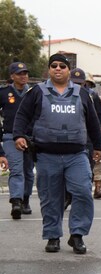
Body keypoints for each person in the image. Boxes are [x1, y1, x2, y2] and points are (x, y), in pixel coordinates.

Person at [13, 53, 101, 254]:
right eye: (53, 65)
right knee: (50, 197)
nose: (58, 69)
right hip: (46, 155)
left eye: (62, 66)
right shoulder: (37, 92)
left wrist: (98, 146)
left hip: (77, 155)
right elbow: (22, 115)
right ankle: (53, 236)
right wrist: (18, 135)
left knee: (82, 192)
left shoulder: (81, 93)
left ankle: (77, 235)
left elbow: (93, 122)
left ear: (68, 70)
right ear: (49, 69)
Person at [70, 69, 101, 199]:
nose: (84, 87)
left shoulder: (96, 98)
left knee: (96, 161)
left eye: (86, 84)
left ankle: (97, 188)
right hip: (76, 135)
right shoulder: (67, 96)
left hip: (93, 135)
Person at [0, 61, 35, 219]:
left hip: (30, 138)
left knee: (28, 171)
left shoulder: (34, 93)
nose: (23, 76)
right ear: (12, 76)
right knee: (16, 169)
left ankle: (25, 199)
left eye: (25, 73)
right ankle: (16, 201)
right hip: (10, 136)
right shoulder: (4, 92)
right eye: (20, 74)